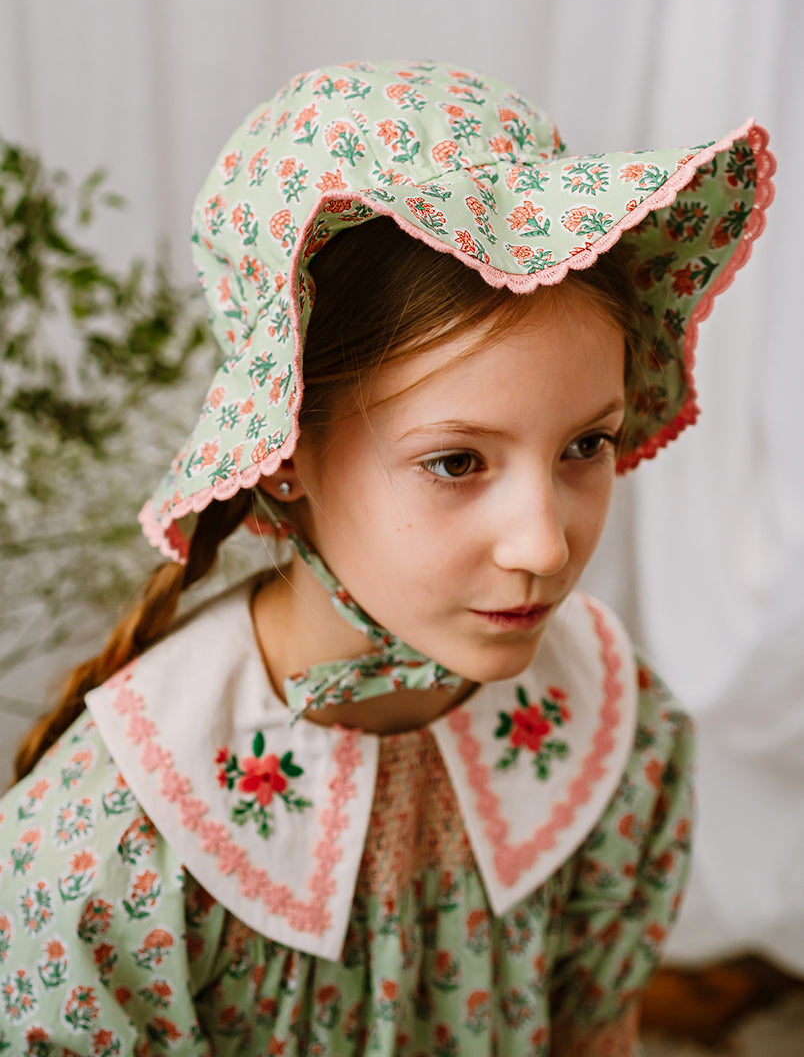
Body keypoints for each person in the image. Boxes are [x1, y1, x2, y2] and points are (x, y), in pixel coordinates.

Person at [0, 60, 774, 1055]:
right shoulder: (110, 847)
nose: (545, 545)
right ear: (284, 455)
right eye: (456, 461)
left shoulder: (612, 722)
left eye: (587, 444)